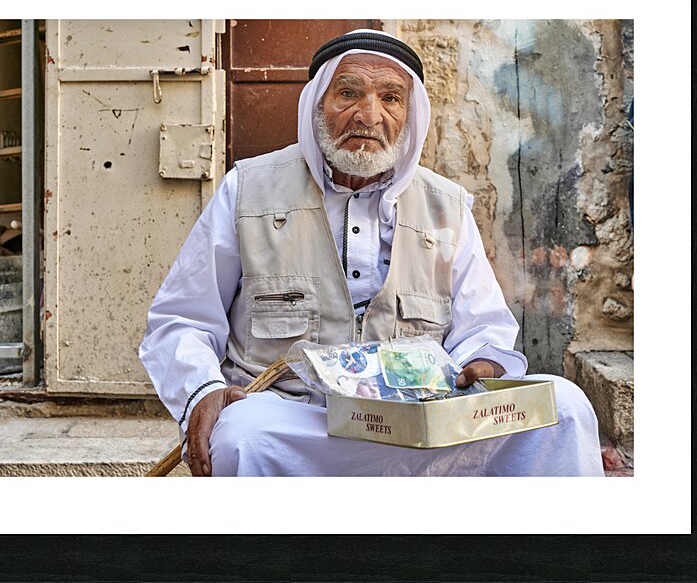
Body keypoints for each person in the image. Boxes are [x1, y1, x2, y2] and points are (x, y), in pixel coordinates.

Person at [139, 29, 604, 477]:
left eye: (390, 98)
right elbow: (183, 319)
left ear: (409, 115)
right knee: (243, 434)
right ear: (317, 106)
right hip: (297, 420)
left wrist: (481, 363)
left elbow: (483, 327)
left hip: (418, 422)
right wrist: (203, 390)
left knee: (563, 406)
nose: (368, 115)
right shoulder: (248, 190)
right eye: (348, 94)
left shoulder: (446, 207)